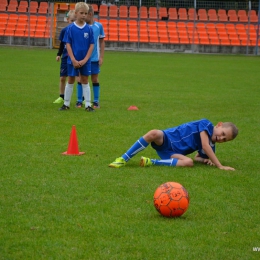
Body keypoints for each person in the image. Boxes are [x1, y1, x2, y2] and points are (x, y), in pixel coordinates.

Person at [109, 119, 239, 171]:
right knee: (154, 133)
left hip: (172, 153)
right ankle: (123, 159)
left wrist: (205, 159)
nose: (221, 138)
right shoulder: (206, 124)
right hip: (167, 139)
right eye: (222, 133)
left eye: (224, 139)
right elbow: (205, 145)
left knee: (188, 162)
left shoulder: (211, 147)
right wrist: (219, 165)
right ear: (219, 124)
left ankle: (151, 162)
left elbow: (196, 157)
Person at [59, 2, 95, 112]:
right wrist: (73, 59)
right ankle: (66, 104)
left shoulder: (89, 29)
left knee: (85, 80)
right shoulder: (70, 28)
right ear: (76, 13)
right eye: (81, 13)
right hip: (72, 61)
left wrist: (85, 59)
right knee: (70, 80)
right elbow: (68, 44)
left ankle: (88, 105)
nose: (84, 15)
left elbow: (91, 45)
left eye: (86, 13)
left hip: (85, 61)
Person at [75, 4, 105, 108]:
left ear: (90, 14)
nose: (83, 16)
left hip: (94, 58)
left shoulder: (98, 26)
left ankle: (96, 101)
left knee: (95, 79)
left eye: (85, 14)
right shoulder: (81, 27)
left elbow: (101, 42)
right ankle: (79, 100)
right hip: (82, 59)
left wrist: (101, 57)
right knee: (81, 79)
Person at [53, 10, 75, 104]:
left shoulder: (79, 30)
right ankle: (61, 96)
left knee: (78, 78)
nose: (73, 22)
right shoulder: (64, 30)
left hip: (76, 58)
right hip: (66, 57)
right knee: (62, 78)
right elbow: (62, 44)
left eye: (75, 20)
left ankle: (81, 99)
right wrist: (59, 54)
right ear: (68, 20)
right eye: (71, 20)